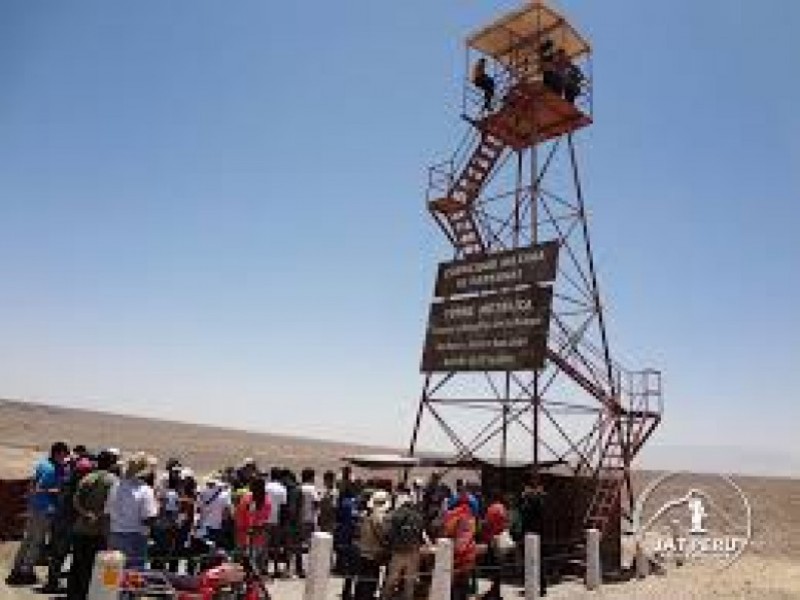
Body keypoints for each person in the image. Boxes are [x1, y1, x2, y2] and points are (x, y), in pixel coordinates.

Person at [6, 441, 71, 586]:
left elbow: (32, 485)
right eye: (64, 455)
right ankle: (26, 571)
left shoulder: (43, 464)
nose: (65, 458)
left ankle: (17, 569)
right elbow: (39, 488)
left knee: (28, 540)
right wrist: (57, 491)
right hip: (44, 509)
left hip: (35, 508)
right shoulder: (51, 469)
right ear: (58, 454)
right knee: (36, 542)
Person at [68, 450, 118, 600]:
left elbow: (76, 501)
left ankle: (73, 594)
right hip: (99, 531)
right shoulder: (113, 481)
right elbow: (112, 506)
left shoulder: (87, 478)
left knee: (77, 563)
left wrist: (85, 514)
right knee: (93, 566)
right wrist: (98, 516)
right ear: (112, 463)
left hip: (80, 528)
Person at [105, 452, 159, 569]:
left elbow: (108, 511)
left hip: (115, 534)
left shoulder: (115, 486)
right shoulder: (145, 490)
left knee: (113, 574)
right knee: (133, 575)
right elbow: (148, 518)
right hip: (136, 537)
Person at [383, 497, 426, 600]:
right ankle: (408, 597)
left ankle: (386, 596)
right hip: (413, 550)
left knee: (392, 578)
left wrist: (389, 545)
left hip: (398, 551)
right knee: (410, 580)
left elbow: (389, 533)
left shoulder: (396, 515)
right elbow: (420, 534)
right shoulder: (418, 516)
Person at [354, 490, 391, 600]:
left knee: (362, 578)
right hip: (373, 553)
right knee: (371, 579)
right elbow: (383, 534)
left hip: (363, 551)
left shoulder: (367, 515)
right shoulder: (378, 517)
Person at [442, 493, 477, 600]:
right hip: (469, 554)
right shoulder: (472, 516)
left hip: (456, 556)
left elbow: (447, 532)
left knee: (454, 586)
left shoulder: (452, 514)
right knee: (464, 584)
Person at [518, 475, 547, 596]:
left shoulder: (536, 500)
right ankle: (531, 586)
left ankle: (540, 587)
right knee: (530, 561)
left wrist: (527, 496)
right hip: (531, 533)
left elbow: (530, 512)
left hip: (535, 533)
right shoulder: (533, 499)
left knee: (537, 561)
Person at [235, 477, 272, 572]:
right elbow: (265, 518)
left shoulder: (248, 499)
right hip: (259, 533)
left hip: (245, 533)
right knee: (255, 558)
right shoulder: (266, 500)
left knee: (245, 559)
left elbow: (243, 515)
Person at [481, 494, 511, 600]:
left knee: (494, 569)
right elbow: (506, 523)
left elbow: (487, 524)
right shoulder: (503, 509)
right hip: (502, 539)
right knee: (499, 568)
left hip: (493, 539)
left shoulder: (492, 509)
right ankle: (495, 592)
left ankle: (494, 593)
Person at [197, 474, 233, 549]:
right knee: (217, 549)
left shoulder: (202, 493)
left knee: (206, 549)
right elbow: (226, 512)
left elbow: (199, 510)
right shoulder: (224, 495)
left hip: (204, 526)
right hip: (218, 526)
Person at [264, 467, 288, 577]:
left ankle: (264, 567)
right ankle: (276, 568)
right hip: (276, 520)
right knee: (276, 546)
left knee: (265, 545)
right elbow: (283, 507)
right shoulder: (282, 489)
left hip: (264, 519)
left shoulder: (265, 487)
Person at [298, 468, 320, 577]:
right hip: (309, 520)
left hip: (299, 519)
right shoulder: (312, 489)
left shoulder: (300, 487)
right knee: (309, 546)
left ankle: (300, 568)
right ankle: (308, 569)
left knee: (299, 546)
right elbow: (316, 503)